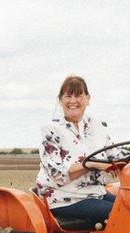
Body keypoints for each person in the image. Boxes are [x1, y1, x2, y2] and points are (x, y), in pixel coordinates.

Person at [35, 75, 121, 224]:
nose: (73, 101)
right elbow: (57, 175)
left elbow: (114, 155)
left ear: (88, 99)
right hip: (63, 197)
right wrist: (91, 164)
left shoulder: (97, 126)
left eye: (78, 95)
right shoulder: (51, 130)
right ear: (60, 100)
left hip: (94, 193)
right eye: (68, 96)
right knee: (123, 215)